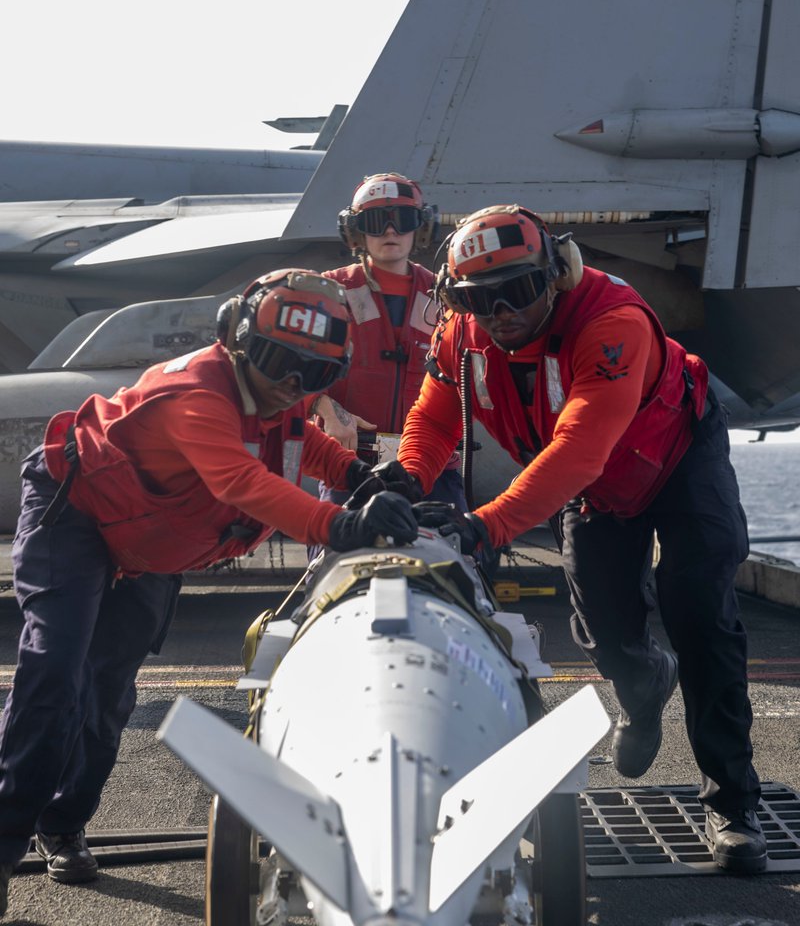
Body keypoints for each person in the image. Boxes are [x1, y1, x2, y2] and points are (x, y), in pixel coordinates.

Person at [0, 269, 417, 917]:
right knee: (54, 674)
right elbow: (241, 482)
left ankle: (62, 823)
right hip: (76, 515)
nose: (291, 385)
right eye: (280, 363)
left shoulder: (278, 397)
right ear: (238, 342)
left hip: (149, 542)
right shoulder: (197, 393)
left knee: (107, 700)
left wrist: (364, 477)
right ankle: (2, 845)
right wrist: (341, 522)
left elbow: (299, 444)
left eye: (313, 375)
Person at [393, 205, 766, 876]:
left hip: (677, 460)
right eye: (481, 300)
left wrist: (488, 524)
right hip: (595, 488)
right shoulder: (461, 337)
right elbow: (433, 416)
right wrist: (405, 479)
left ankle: (733, 809)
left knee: (700, 613)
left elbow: (580, 448)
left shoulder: (612, 324)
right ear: (458, 302)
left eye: (518, 291)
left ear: (555, 275)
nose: (502, 312)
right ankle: (644, 680)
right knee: (603, 624)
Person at [309, 172, 466, 511]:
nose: (391, 231)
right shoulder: (328, 293)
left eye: (403, 220)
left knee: (459, 556)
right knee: (334, 556)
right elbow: (287, 371)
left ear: (421, 226)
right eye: (377, 221)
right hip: (348, 467)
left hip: (433, 466)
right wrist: (327, 410)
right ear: (356, 231)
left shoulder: (446, 296)